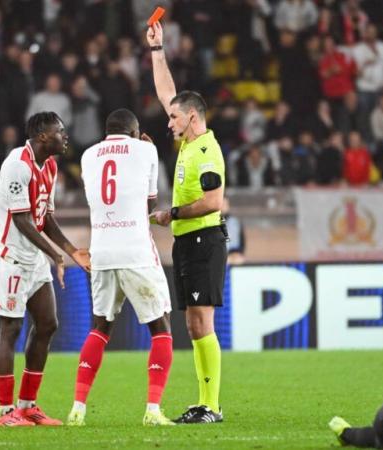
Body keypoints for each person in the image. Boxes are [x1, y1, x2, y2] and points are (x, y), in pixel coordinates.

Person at [66, 108, 174, 427]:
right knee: (161, 329)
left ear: (107, 131)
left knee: (99, 328)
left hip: (101, 249)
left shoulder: (88, 156)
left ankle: (77, 408)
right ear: (135, 130)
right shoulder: (147, 150)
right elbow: (149, 205)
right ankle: (153, 411)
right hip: (135, 248)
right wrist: (147, 148)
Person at [0, 111, 90, 427]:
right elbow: (21, 219)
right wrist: (55, 256)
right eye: (60, 130)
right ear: (43, 136)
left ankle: (28, 405)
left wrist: (71, 251)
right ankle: (6, 413)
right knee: (11, 329)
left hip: (34, 255)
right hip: (9, 255)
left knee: (47, 323)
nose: (65, 135)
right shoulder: (17, 165)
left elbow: (44, 218)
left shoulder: (51, 165)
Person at [147, 20, 226, 424]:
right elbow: (166, 94)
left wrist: (171, 214)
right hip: (188, 242)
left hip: (203, 239)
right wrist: (158, 51)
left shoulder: (206, 151)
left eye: (175, 117)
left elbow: (214, 201)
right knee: (194, 324)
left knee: (201, 322)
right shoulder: (191, 142)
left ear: (192, 117)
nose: (169, 121)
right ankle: (206, 402)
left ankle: (211, 405)